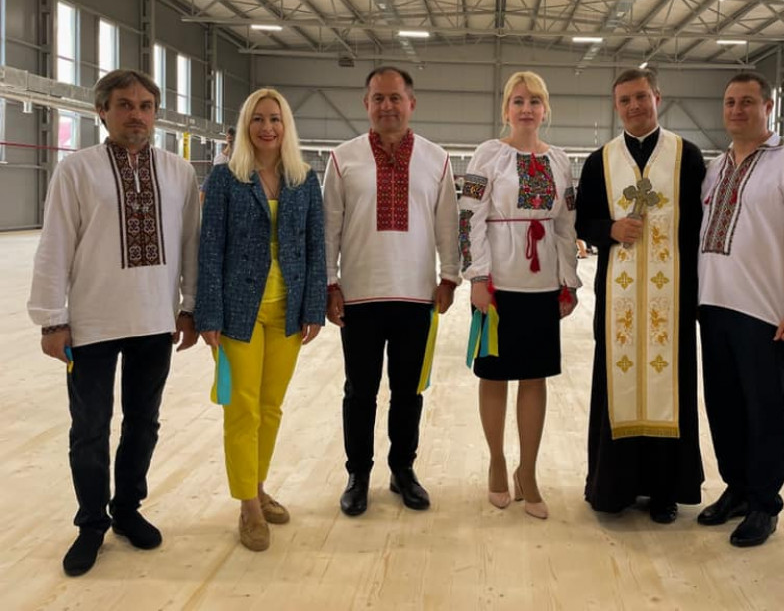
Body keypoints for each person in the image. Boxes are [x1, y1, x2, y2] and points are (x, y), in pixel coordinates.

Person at [27, 69, 200, 577]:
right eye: (124, 105)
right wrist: (51, 320)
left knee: (143, 424)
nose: (136, 115)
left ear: (156, 114)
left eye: (145, 106)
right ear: (102, 111)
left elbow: (191, 243)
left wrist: (189, 306)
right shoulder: (76, 170)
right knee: (89, 429)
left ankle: (126, 509)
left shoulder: (179, 172)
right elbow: (55, 244)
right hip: (91, 325)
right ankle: (91, 523)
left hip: (155, 321)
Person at [697, 71, 784, 546]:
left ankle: (765, 503)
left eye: (747, 102)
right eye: (730, 102)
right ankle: (736, 488)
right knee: (723, 406)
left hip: (763, 310)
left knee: (764, 410)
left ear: (768, 107)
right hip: (712, 304)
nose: (737, 110)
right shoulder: (715, 168)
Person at [324, 66, 461, 516]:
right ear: (366, 104)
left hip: (416, 297)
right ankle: (358, 474)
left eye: (395, 98)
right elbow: (329, 228)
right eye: (378, 98)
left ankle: (403, 469)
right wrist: (329, 283)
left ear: (411, 104)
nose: (387, 106)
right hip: (359, 297)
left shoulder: (437, 159)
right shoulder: (342, 159)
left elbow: (447, 223)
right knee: (359, 392)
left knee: (408, 392)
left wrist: (449, 276)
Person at [196, 89, 326, 552]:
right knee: (242, 409)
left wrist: (313, 308)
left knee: (270, 408)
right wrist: (208, 312)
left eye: (274, 119)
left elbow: (315, 248)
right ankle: (248, 505)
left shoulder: (304, 180)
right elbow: (209, 248)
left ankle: (257, 485)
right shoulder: (225, 178)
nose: (266, 127)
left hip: (286, 311)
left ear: (286, 126)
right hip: (238, 313)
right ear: (244, 126)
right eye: (257, 119)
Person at [575, 67, 705, 523]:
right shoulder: (601, 160)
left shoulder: (687, 156)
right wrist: (610, 229)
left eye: (641, 97)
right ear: (616, 107)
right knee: (617, 386)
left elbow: (699, 227)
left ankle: (666, 491)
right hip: (619, 300)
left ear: (657, 98)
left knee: (672, 389)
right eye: (625, 100)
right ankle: (614, 486)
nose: (634, 106)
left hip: (673, 300)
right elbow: (582, 221)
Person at [459, 71, 581, 519]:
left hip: (542, 283)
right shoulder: (488, 154)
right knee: (495, 376)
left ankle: (527, 470)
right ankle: (496, 460)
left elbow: (566, 225)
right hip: (498, 284)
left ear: (545, 109)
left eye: (534, 101)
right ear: (506, 109)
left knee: (535, 378)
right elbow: (469, 216)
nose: (526, 109)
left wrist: (568, 280)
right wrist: (477, 277)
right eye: (518, 101)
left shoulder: (560, 160)